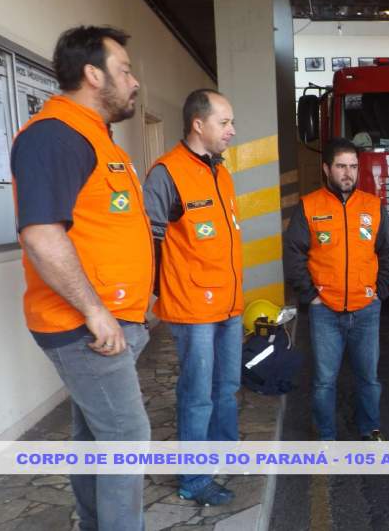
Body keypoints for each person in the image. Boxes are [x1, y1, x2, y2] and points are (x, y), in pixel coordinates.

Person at [11, 25, 151, 531]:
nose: (134, 81)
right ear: (93, 74)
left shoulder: (95, 136)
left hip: (111, 322)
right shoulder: (56, 136)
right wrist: (96, 312)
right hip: (85, 325)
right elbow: (43, 236)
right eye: (125, 70)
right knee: (128, 442)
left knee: (97, 438)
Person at [143, 89, 243, 505]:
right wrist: (161, 289)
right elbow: (147, 238)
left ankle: (222, 454)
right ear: (198, 124)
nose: (232, 130)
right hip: (193, 309)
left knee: (228, 387)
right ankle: (194, 477)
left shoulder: (222, 173)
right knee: (197, 394)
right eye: (224, 122)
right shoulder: (166, 173)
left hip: (229, 304)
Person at [283, 137, 389, 441]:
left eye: (352, 167)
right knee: (324, 381)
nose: (348, 173)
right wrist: (311, 296)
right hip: (326, 312)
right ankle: (326, 436)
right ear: (326, 169)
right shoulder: (309, 206)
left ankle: (369, 429)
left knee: (369, 379)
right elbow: (293, 253)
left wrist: (380, 290)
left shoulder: (373, 207)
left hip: (366, 309)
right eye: (341, 166)